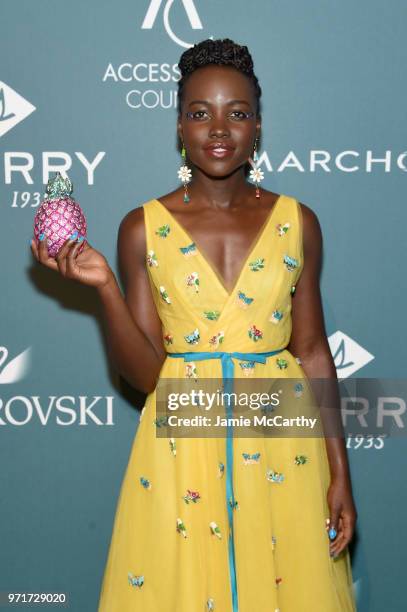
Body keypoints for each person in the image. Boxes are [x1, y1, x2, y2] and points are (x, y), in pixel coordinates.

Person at [30, 38, 357, 612]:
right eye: (200, 113)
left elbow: (311, 352)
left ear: (259, 126)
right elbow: (143, 376)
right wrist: (106, 286)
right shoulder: (142, 228)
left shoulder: (298, 222)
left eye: (238, 113)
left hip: (283, 447)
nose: (220, 129)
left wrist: (340, 472)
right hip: (183, 447)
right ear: (179, 126)